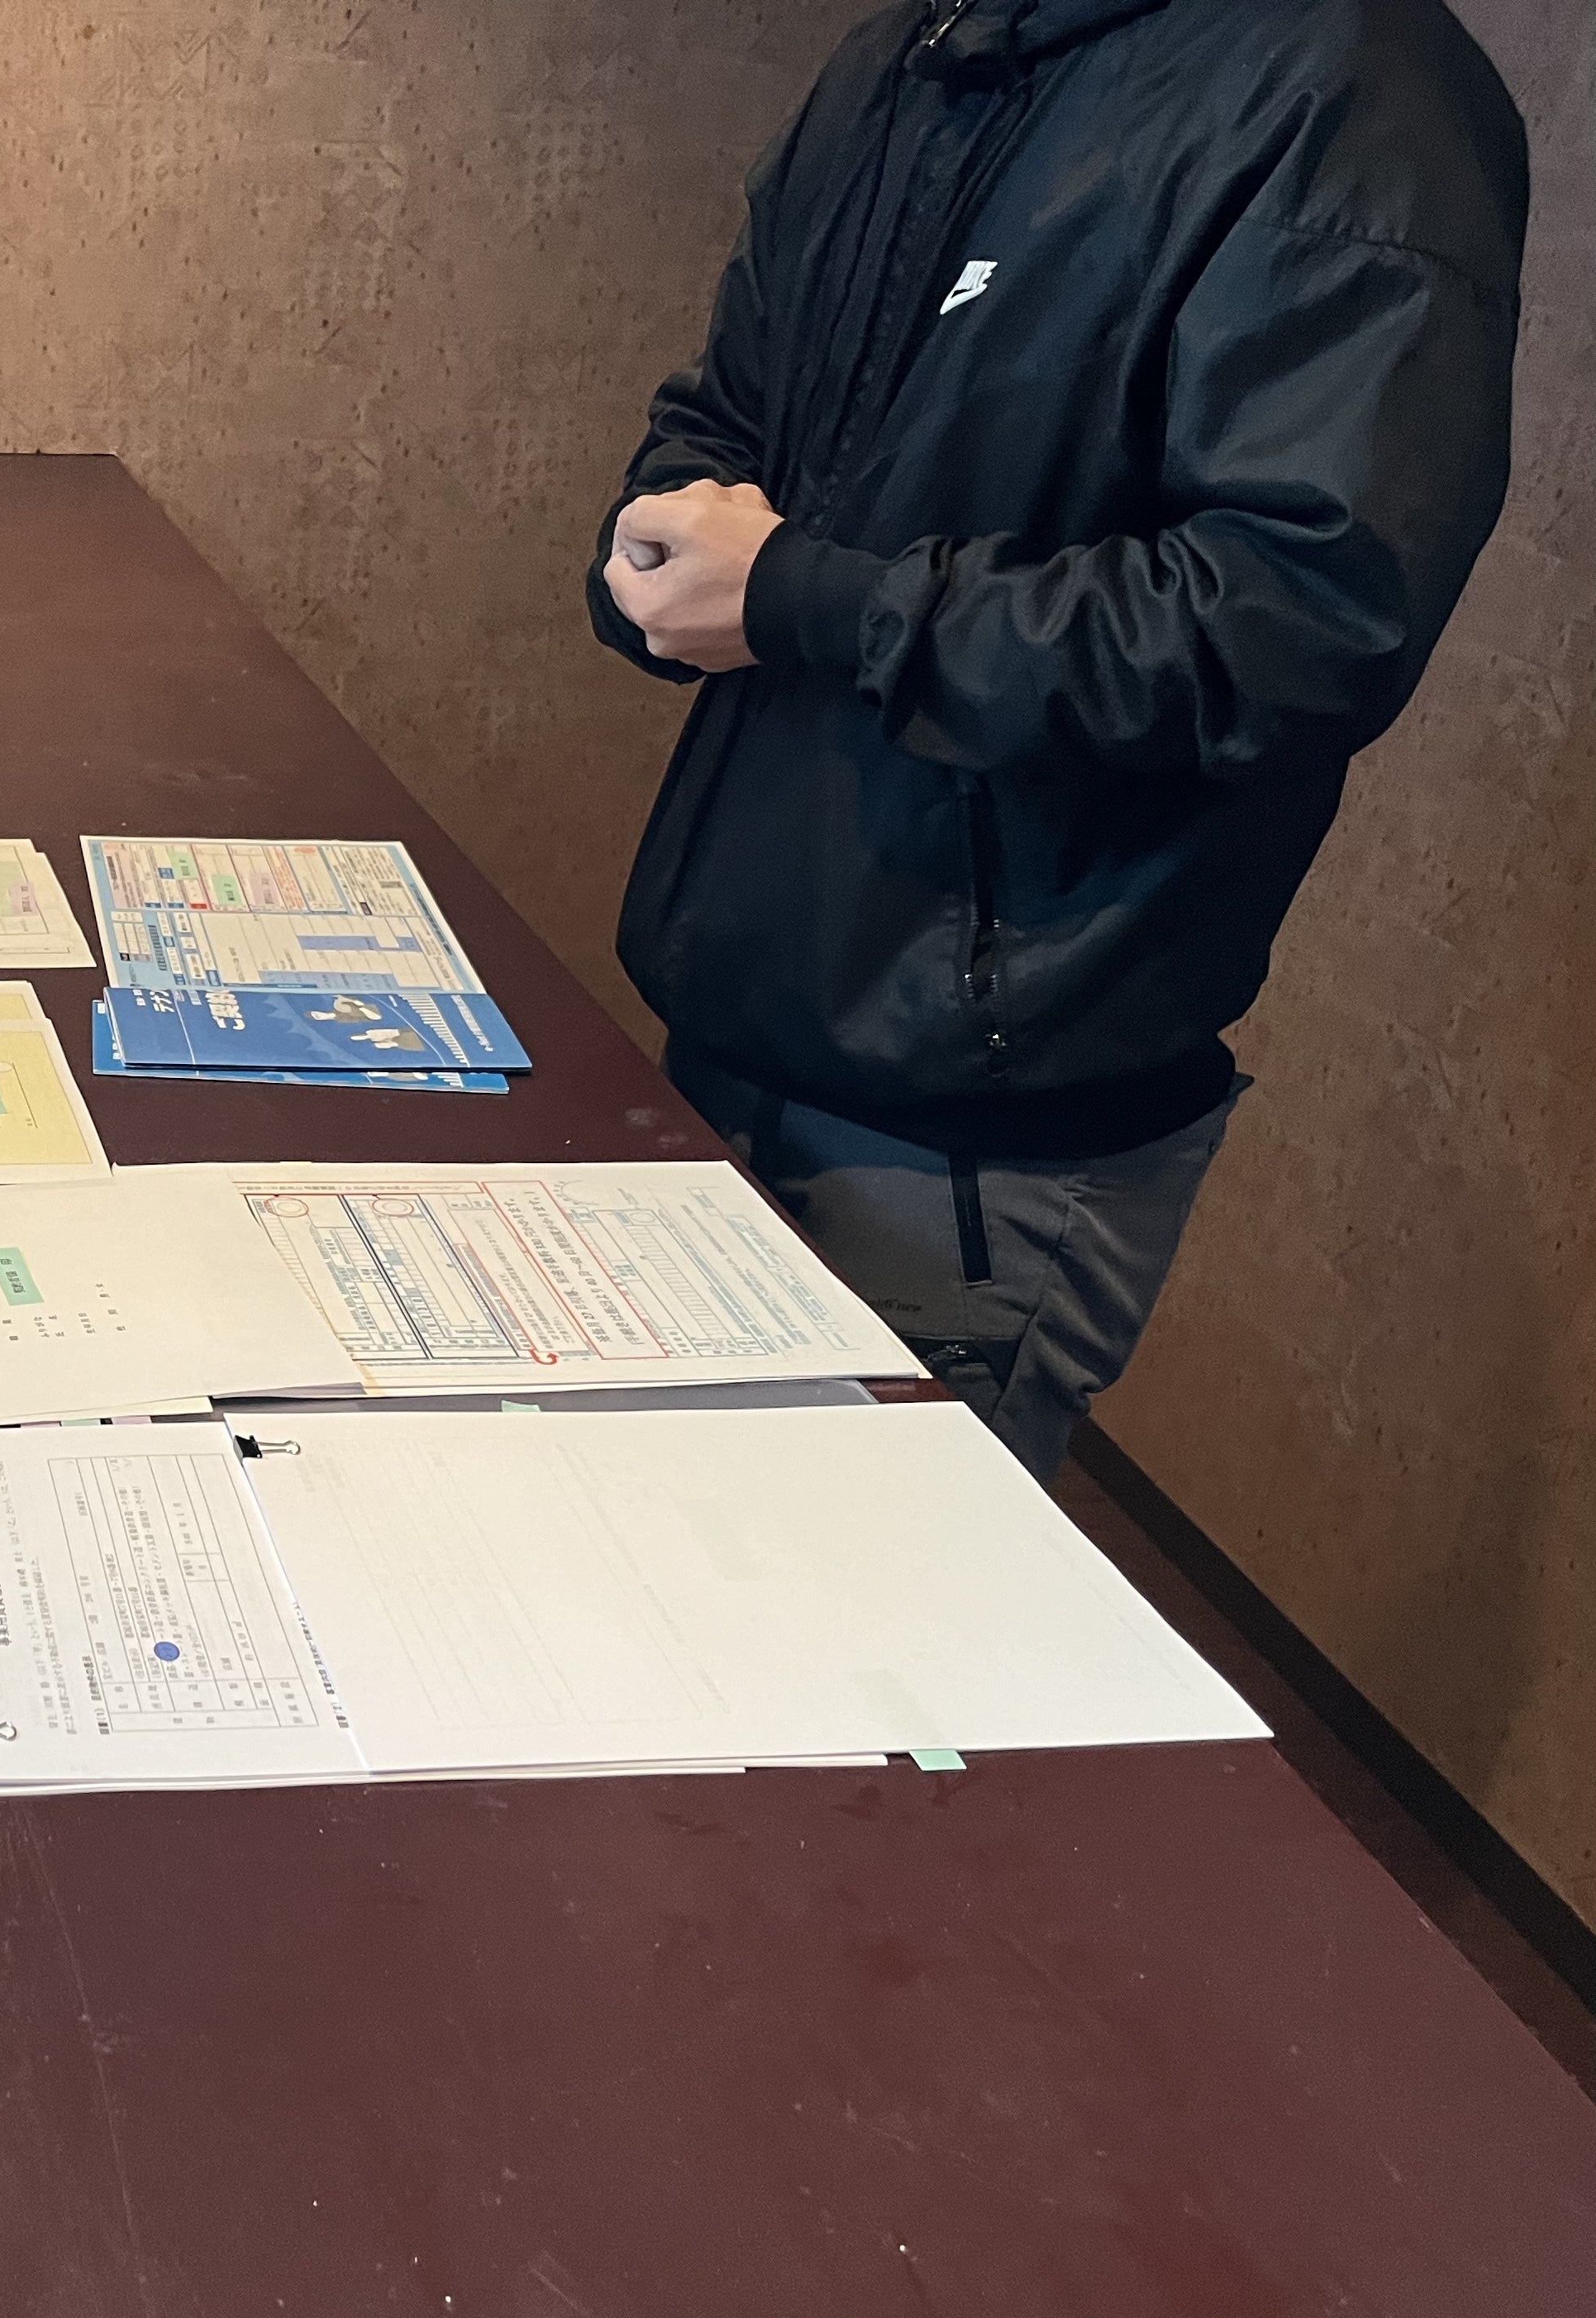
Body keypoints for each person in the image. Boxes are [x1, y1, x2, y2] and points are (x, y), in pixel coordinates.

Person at [588, 0, 1526, 1479]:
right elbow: (727, 419)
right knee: (634, 1552)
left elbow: (1294, 625)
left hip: (989, 1128)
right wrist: (661, 551)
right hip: (734, 1006)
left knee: (864, 1608)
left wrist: (808, 599)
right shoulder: (912, 51)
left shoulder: (1357, 87)